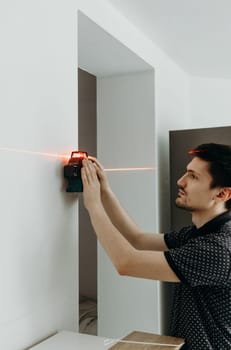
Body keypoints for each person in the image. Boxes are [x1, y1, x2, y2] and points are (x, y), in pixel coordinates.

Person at [81, 143, 231, 350]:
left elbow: (126, 263)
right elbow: (138, 239)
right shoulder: (199, 233)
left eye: (193, 177)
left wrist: (93, 205)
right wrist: (104, 191)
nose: (181, 181)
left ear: (222, 194)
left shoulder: (216, 249)